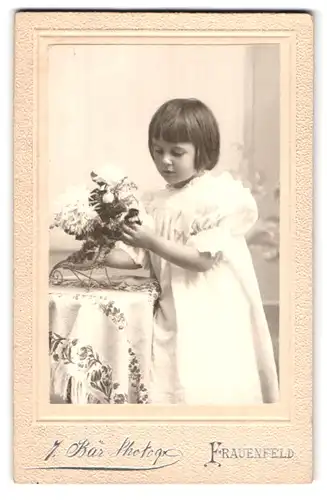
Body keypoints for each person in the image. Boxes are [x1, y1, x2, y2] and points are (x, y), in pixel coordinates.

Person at [104, 98, 279, 405]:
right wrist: (99, 240)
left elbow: (201, 260)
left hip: (209, 304)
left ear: (203, 150)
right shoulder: (155, 202)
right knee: (170, 374)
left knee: (206, 375)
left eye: (177, 152)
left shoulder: (217, 198)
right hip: (171, 305)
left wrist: (150, 241)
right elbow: (133, 256)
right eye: (158, 151)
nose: (165, 161)